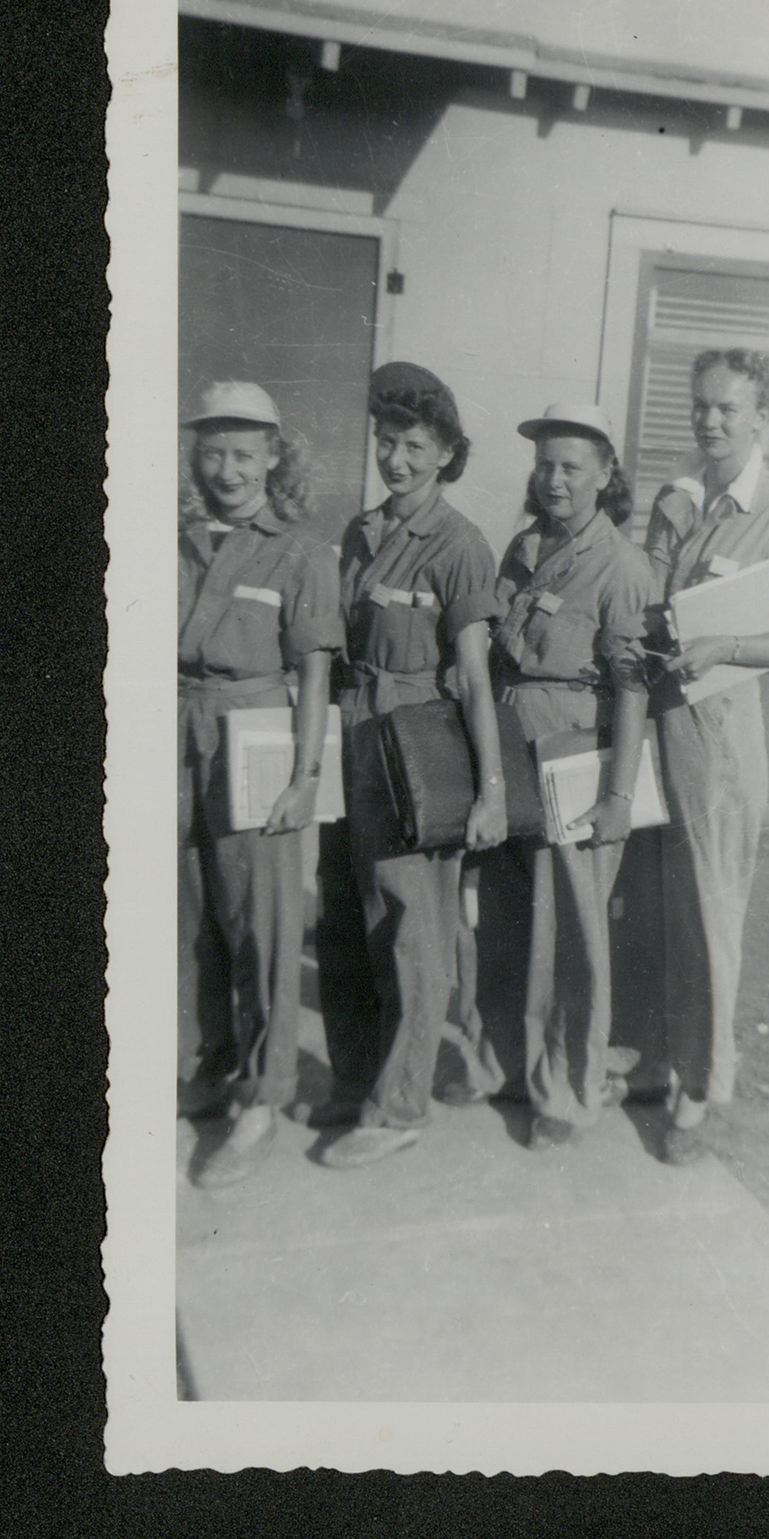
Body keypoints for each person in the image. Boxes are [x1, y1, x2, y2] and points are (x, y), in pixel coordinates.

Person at [644, 349, 769, 1165]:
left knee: (710, 910)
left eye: (727, 408)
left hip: (719, 738)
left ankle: (703, 1084)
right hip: (656, 725)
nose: (710, 420)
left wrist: (726, 645)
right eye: (701, 405)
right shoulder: (679, 500)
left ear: (763, 418)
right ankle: (656, 1058)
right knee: (654, 903)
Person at [317, 363, 508, 1170]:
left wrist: (490, 790)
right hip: (351, 735)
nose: (395, 459)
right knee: (348, 920)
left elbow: (474, 677)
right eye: (386, 441)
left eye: (415, 447)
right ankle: (357, 1081)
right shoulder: (362, 532)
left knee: (412, 928)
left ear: (446, 454)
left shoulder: (460, 545)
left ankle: (399, 1106)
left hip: (413, 748)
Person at [177, 381, 341, 1189]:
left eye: (245, 454)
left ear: (274, 456)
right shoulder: (171, 541)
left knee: (262, 924)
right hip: (177, 731)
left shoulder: (301, 552)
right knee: (190, 916)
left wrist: (306, 776)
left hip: (258, 731)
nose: (228, 471)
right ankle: (209, 1068)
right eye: (213, 453)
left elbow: (314, 675)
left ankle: (264, 1097)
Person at [487, 403, 655, 1148]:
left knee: (570, 931)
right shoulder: (526, 545)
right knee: (513, 920)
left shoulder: (621, 565)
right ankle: (514, 1065)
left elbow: (633, 685)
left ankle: (570, 1090)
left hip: (575, 753)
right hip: (513, 742)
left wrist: (618, 795)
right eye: (545, 466)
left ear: (605, 474)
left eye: (571, 468)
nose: (554, 481)